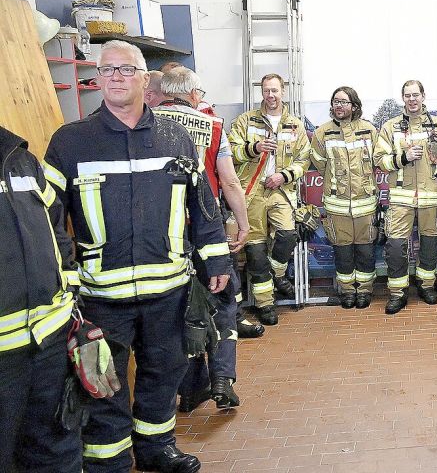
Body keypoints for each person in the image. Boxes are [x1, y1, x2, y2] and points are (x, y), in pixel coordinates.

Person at [44, 39, 232, 473]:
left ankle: (156, 448)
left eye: (125, 69)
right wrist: (66, 276)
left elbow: (201, 204)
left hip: (168, 290)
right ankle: (108, 461)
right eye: (106, 70)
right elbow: (48, 218)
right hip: (97, 297)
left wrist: (216, 260)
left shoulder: (175, 137)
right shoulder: (71, 143)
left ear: (146, 80)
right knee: (102, 382)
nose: (114, 77)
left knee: (164, 373)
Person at [154, 67, 254, 412]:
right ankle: (223, 379)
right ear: (194, 93)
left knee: (179, 310)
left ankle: (193, 386)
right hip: (206, 229)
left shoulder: (144, 122)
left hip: (163, 234)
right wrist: (242, 223)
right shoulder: (212, 126)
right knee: (224, 301)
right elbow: (228, 182)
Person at [0, 126, 84, 472]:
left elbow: (56, 228)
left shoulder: (20, 159)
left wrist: (69, 284)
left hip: (48, 341)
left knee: (56, 448)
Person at [228, 73, 312, 326]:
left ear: (283, 92)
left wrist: (283, 176)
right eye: (266, 90)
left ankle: (277, 272)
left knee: (287, 234)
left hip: (281, 190)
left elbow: (303, 161)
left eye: (275, 90)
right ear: (262, 92)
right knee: (255, 251)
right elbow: (230, 153)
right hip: (251, 193)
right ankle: (265, 304)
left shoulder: (294, 125)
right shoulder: (245, 121)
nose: (271, 95)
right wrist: (253, 149)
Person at [373, 80, 437, 314]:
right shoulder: (390, 127)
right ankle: (398, 293)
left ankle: (426, 285)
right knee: (396, 246)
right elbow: (380, 159)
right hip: (401, 198)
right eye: (407, 95)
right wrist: (403, 157)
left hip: (431, 197)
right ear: (403, 98)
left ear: (423, 96)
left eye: (416, 95)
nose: (412, 99)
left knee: (430, 244)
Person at [310, 86, 379, 310]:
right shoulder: (323, 133)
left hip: (365, 203)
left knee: (365, 251)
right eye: (336, 102)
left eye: (344, 102)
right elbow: (320, 164)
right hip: (337, 205)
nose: (339, 106)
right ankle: (348, 291)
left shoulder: (368, 130)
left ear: (354, 106)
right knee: (343, 252)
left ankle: (365, 291)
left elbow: (377, 158)